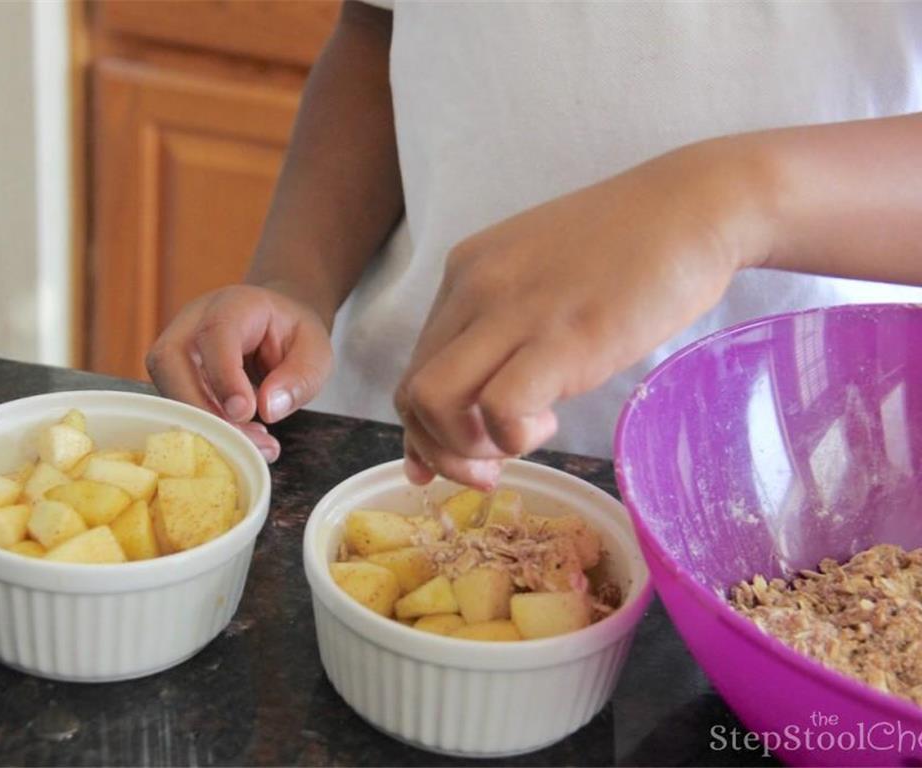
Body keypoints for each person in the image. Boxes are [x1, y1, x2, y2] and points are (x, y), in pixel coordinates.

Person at [146, 1, 922, 490]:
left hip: (799, 488)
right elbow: (374, 30)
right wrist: (293, 284)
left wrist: (726, 202)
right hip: (393, 445)